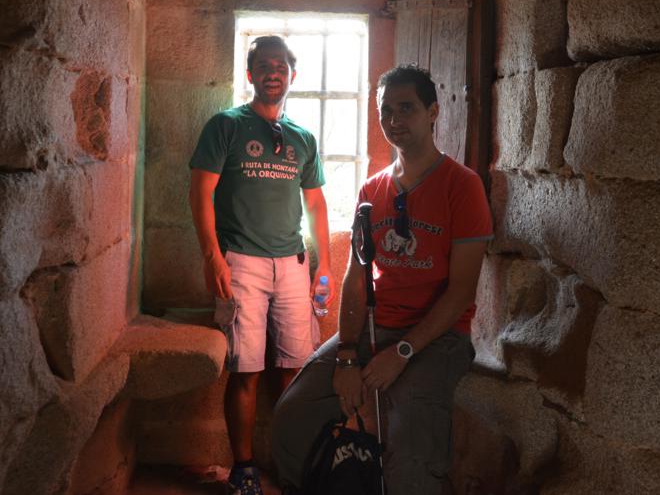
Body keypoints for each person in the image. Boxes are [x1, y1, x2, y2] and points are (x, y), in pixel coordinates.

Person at [271, 64, 493, 494]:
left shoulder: (462, 187)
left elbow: (461, 291)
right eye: (385, 111)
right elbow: (357, 277)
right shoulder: (372, 191)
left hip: (438, 338)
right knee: (293, 415)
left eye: (406, 108)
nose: (394, 120)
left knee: (407, 434)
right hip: (375, 328)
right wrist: (347, 354)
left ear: (433, 112)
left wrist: (403, 352)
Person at [189, 35, 333, 495]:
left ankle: (291, 467)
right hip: (241, 263)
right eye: (265, 65)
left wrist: (324, 266)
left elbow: (316, 204)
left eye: (281, 66)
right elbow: (201, 192)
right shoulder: (226, 126)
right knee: (246, 370)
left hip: (292, 264)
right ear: (250, 74)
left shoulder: (302, 137)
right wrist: (212, 256)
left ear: (292, 76)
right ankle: (245, 469)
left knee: (294, 370)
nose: (274, 72)